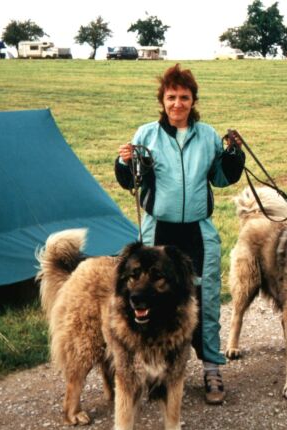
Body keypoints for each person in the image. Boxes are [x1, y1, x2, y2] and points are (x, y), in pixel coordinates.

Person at [115, 64, 245, 405]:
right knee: (152, 299)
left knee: (205, 299)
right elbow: (131, 180)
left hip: (197, 232)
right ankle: (156, 372)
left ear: (193, 100)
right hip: (158, 229)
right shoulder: (146, 134)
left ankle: (212, 368)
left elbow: (221, 177)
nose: (177, 103)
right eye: (171, 97)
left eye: (184, 97)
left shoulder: (208, 135)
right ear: (162, 100)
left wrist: (234, 155)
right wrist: (124, 161)